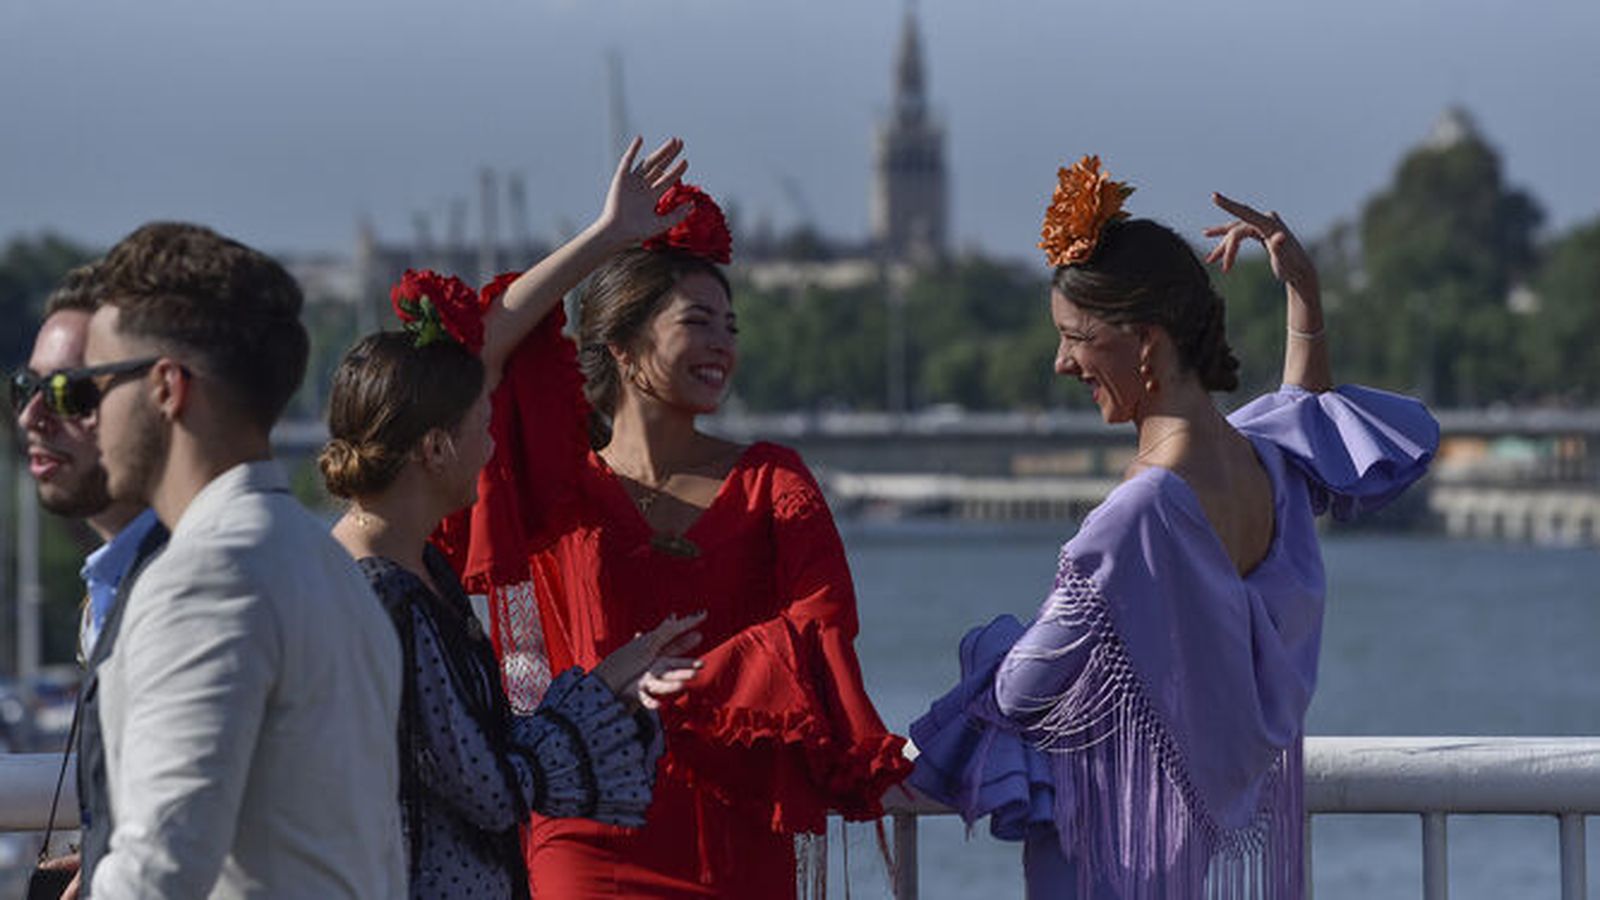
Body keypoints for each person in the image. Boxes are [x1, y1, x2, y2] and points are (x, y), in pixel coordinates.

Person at [907, 157, 1440, 899]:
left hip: (1107, 868)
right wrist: (1303, 293)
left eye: (1075, 337)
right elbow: (1305, 409)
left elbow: (1020, 691)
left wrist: (992, 651)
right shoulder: (1266, 466)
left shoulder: (1140, 515)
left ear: (1146, 343)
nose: (1061, 363)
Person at [433, 140, 913, 896]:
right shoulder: (558, 486)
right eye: (699, 321)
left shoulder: (771, 481)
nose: (724, 343)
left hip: (736, 837)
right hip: (585, 837)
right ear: (623, 347)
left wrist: (671, 690)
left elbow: (820, 631)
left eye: (731, 327)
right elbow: (475, 351)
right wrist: (605, 238)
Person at [321, 260, 704, 899]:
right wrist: (598, 696)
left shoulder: (415, 570)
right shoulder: (382, 596)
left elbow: (477, 752)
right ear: (435, 449)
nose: (493, 449)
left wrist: (607, 681)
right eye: (483, 427)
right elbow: (489, 785)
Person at [77, 222, 405, 897]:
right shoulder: (329, 566)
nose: (87, 417)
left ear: (166, 388)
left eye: (94, 386)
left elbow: (159, 874)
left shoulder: (205, 576)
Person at [12, 264, 168, 900]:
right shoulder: (110, 579)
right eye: (26, 387)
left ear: (158, 397)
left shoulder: (189, 584)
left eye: (68, 393)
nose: (31, 415)